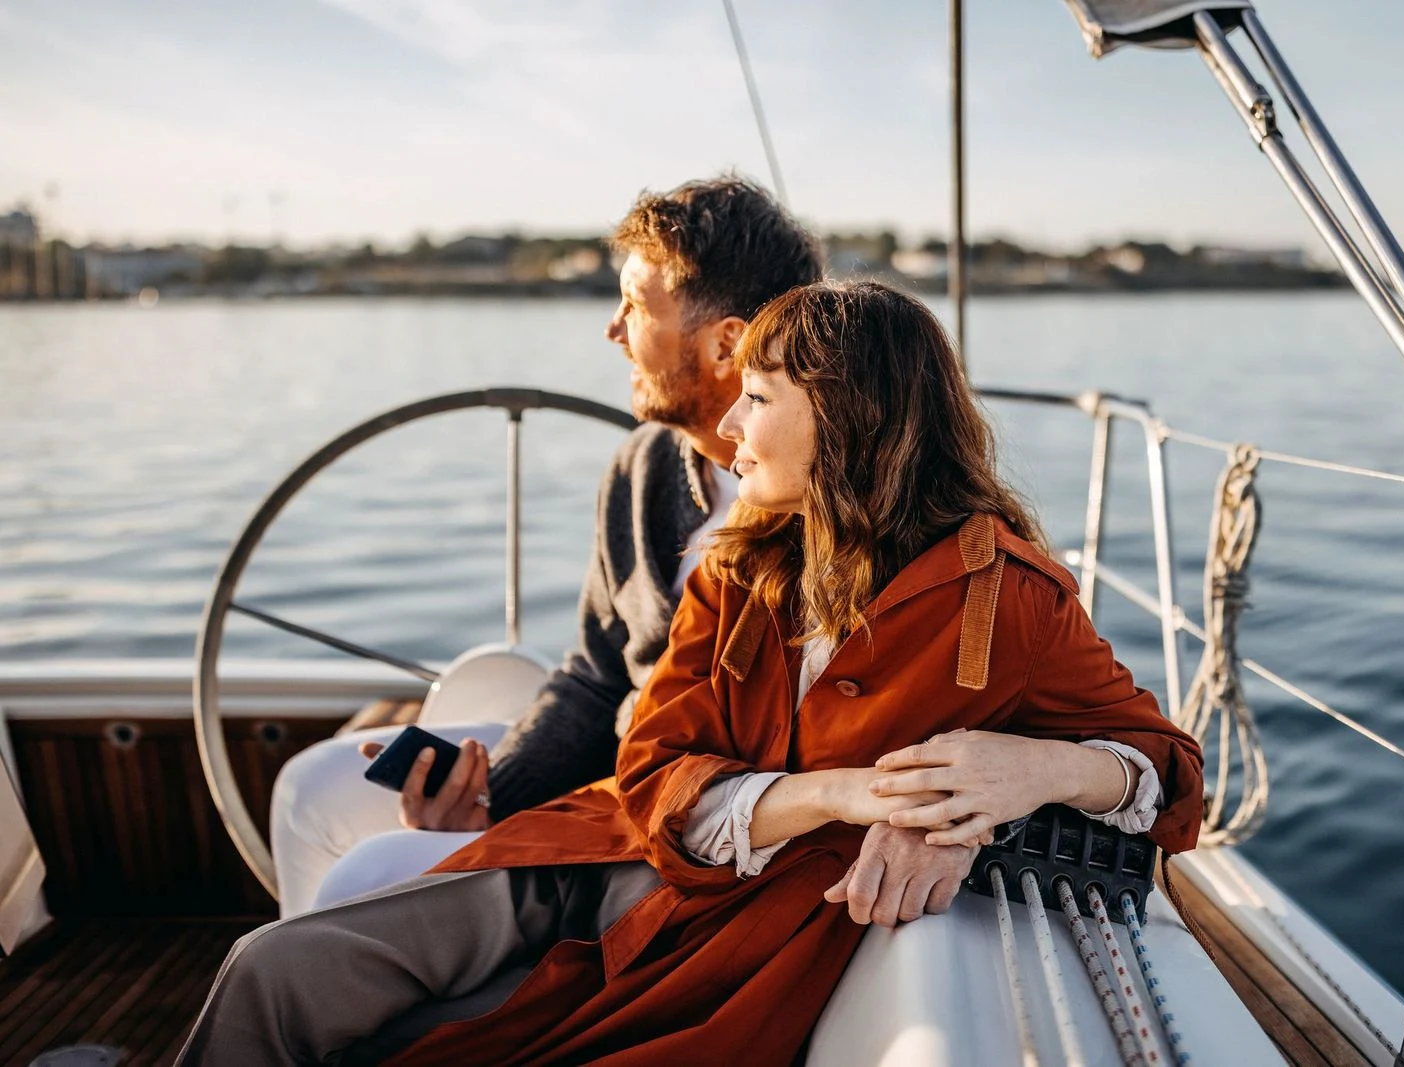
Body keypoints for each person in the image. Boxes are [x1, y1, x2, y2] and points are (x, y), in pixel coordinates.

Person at [178, 280, 1203, 1066]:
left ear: (843, 418)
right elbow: (652, 765)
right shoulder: (739, 564)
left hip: (711, 954)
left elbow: (1165, 771)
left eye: (755, 397)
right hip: (590, 863)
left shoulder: (1008, 595)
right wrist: (841, 793)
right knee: (270, 966)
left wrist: (1033, 773)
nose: (727, 427)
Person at [268, 175, 826, 917]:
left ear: (727, 342)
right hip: (613, 765)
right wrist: (493, 793)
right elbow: (598, 675)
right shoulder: (644, 468)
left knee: (365, 881)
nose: (613, 329)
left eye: (635, 305)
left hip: (686, 820)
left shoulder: (837, 500)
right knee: (306, 792)